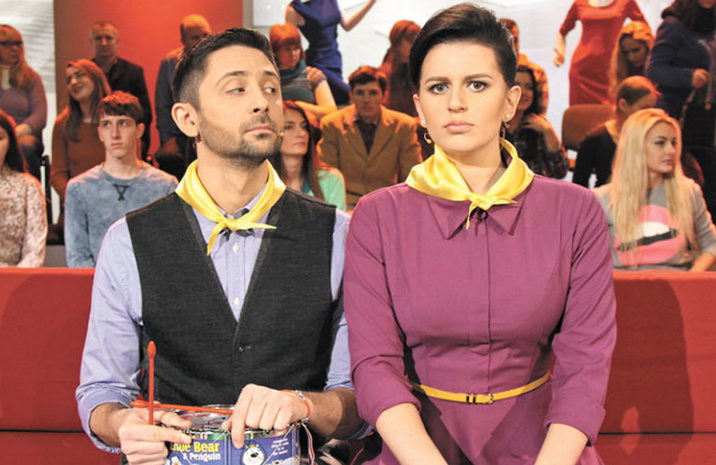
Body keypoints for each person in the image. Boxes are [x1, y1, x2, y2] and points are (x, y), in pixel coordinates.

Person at [76, 27, 363, 465]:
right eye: (237, 89)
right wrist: (122, 425)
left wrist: (303, 404)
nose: (262, 101)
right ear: (187, 119)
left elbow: (357, 400)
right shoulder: (127, 241)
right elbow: (102, 392)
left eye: (271, 87)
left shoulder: (337, 233)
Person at [345, 4, 616, 464]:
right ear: (419, 107)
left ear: (511, 101)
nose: (456, 103)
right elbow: (375, 366)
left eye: (476, 84)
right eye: (438, 87)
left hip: (545, 447)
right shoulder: (377, 216)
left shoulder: (575, 211)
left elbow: (585, 365)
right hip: (416, 446)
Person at [64, 92, 177, 268]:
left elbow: (172, 250)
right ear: (100, 133)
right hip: (96, 283)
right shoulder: (79, 189)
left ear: (139, 130)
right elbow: (77, 258)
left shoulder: (165, 186)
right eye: (107, 124)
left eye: (123, 123)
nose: (114, 134)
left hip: (152, 282)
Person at [595, 108, 716, 270]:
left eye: (674, 143)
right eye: (660, 143)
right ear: (636, 147)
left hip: (676, 282)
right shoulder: (602, 198)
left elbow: (711, 244)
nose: (671, 150)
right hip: (623, 284)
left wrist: (692, 277)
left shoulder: (688, 191)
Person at [647, 0, 716, 220]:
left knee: (709, 183)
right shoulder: (674, 24)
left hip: (706, 118)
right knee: (682, 181)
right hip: (677, 117)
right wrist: (688, 76)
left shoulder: (712, 23)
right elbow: (654, 69)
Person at [318, 65, 422, 207]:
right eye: (360, 93)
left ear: (384, 96)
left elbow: (413, 177)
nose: (366, 100)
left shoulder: (403, 125)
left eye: (373, 93)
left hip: (387, 204)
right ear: (351, 96)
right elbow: (326, 176)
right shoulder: (332, 124)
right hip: (345, 204)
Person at [554, 0, 647, 105]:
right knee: (580, 113)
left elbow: (644, 29)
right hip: (582, 70)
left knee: (615, 109)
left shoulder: (626, 2)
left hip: (613, 67)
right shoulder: (580, 3)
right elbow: (562, 32)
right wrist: (561, 53)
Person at [286, 0, 377, 105]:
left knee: (338, 100)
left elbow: (347, 25)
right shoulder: (295, 9)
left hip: (334, 58)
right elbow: (291, 42)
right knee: (347, 95)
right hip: (318, 62)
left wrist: (371, 3)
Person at [573, 76, 658, 188]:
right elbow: (579, 186)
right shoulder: (596, 140)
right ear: (623, 105)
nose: (650, 115)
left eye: (652, 108)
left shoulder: (657, 137)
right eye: (644, 109)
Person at [154, 14, 211, 180]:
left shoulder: (219, 60)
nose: (202, 41)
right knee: (168, 155)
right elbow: (163, 104)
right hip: (179, 130)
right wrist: (167, 138)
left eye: (206, 35)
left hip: (210, 128)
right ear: (183, 40)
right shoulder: (169, 62)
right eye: (195, 38)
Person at [90, 21, 152, 160]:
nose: (104, 43)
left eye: (108, 38)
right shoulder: (85, 75)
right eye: (98, 38)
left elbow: (145, 113)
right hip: (93, 136)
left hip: (127, 135)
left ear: (117, 41)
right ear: (91, 42)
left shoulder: (134, 72)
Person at [50, 59, 111, 202]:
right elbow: (58, 175)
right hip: (79, 202)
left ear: (96, 78)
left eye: (79, 75)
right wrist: (76, 200)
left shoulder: (119, 119)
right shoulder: (62, 124)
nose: (73, 82)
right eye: (68, 80)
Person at [270, 100, 346, 210]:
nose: (301, 133)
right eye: (288, 127)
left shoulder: (331, 179)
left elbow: (337, 221)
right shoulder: (258, 183)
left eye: (304, 127)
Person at [0, 25, 47, 180]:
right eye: (6, 44)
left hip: (24, 135)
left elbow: (39, 116)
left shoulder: (32, 78)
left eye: (18, 43)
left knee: (24, 147)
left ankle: (29, 191)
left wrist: (13, 134)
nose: (14, 48)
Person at [0, 110, 46, 267]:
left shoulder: (28, 186)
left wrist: (13, 279)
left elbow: (34, 252)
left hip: (14, 276)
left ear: (10, 143)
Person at [507, 65, 568, 179]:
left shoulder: (539, 126)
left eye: (529, 87)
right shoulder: (492, 125)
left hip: (533, 188)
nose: (524, 92)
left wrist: (549, 133)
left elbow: (559, 172)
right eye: (517, 86)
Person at [269, 23, 337, 120]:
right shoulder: (268, 78)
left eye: (296, 48)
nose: (293, 54)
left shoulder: (312, 74)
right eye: (287, 49)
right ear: (275, 51)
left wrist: (300, 106)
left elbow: (331, 111)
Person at [500, 18, 549, 115]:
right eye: (504, 41)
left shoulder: (536, 72)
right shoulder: (485, 71)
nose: (511, 46)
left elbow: (540, 112)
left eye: (515, 40)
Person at [378, 20, 421, 117]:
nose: (415, 45)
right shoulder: (384, 74)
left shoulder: (419, 70)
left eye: (417, 41)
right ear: (397, 43)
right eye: (410, 40)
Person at [608, 21, 654, 98]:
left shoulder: (661, 74)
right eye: (625, 52)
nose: (631, 57)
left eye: (636, 50)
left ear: (648, 47)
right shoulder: (623, 73)